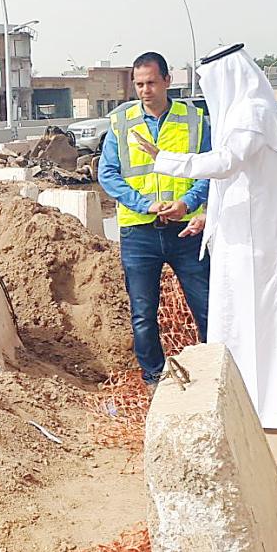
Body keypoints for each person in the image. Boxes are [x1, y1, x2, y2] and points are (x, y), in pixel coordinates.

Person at [133, 44, 277, 428]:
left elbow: (225, 163)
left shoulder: (253, 111)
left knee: (260, 315)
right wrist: (208, 219)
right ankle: (249, 401)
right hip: (241, 234)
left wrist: (163, 158)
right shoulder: (239, 112)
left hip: (259, 241)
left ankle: (270, 405)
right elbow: (233, 183)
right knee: (239, 317)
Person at [98, 52, 212, 390]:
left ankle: (215, 368)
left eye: (150, 82)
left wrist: (188, 202)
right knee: (143, 315)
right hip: (139, 232)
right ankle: (154, 378)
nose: (145, 90)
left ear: (167, 81)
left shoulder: (195, 120)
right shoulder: (122, 123)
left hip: (187, 229)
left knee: (206, 305)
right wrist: (144, 204)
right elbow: (108, 174)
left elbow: (210, 169)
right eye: (139, 84)